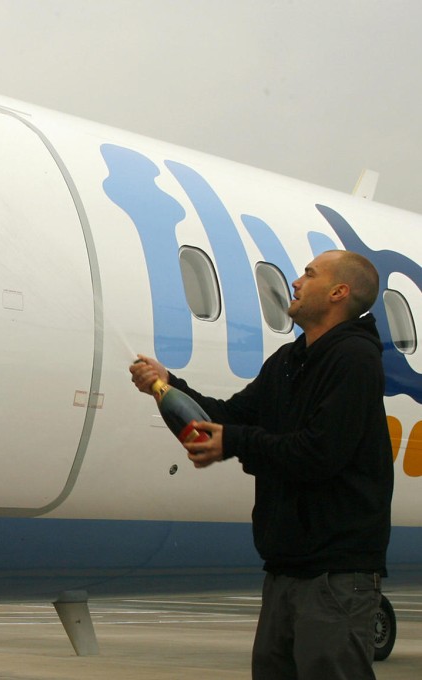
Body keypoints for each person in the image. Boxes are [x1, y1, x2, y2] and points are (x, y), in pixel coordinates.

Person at [129, 250, 393, 680]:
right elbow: (226, 417)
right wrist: (166, 385)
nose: (295, 282)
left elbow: (318, 453)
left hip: (336, 575)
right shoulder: (288, 362)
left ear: (338, 292)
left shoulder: (355, 361)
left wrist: (232, 442)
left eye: (309, 274)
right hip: (286, 568)